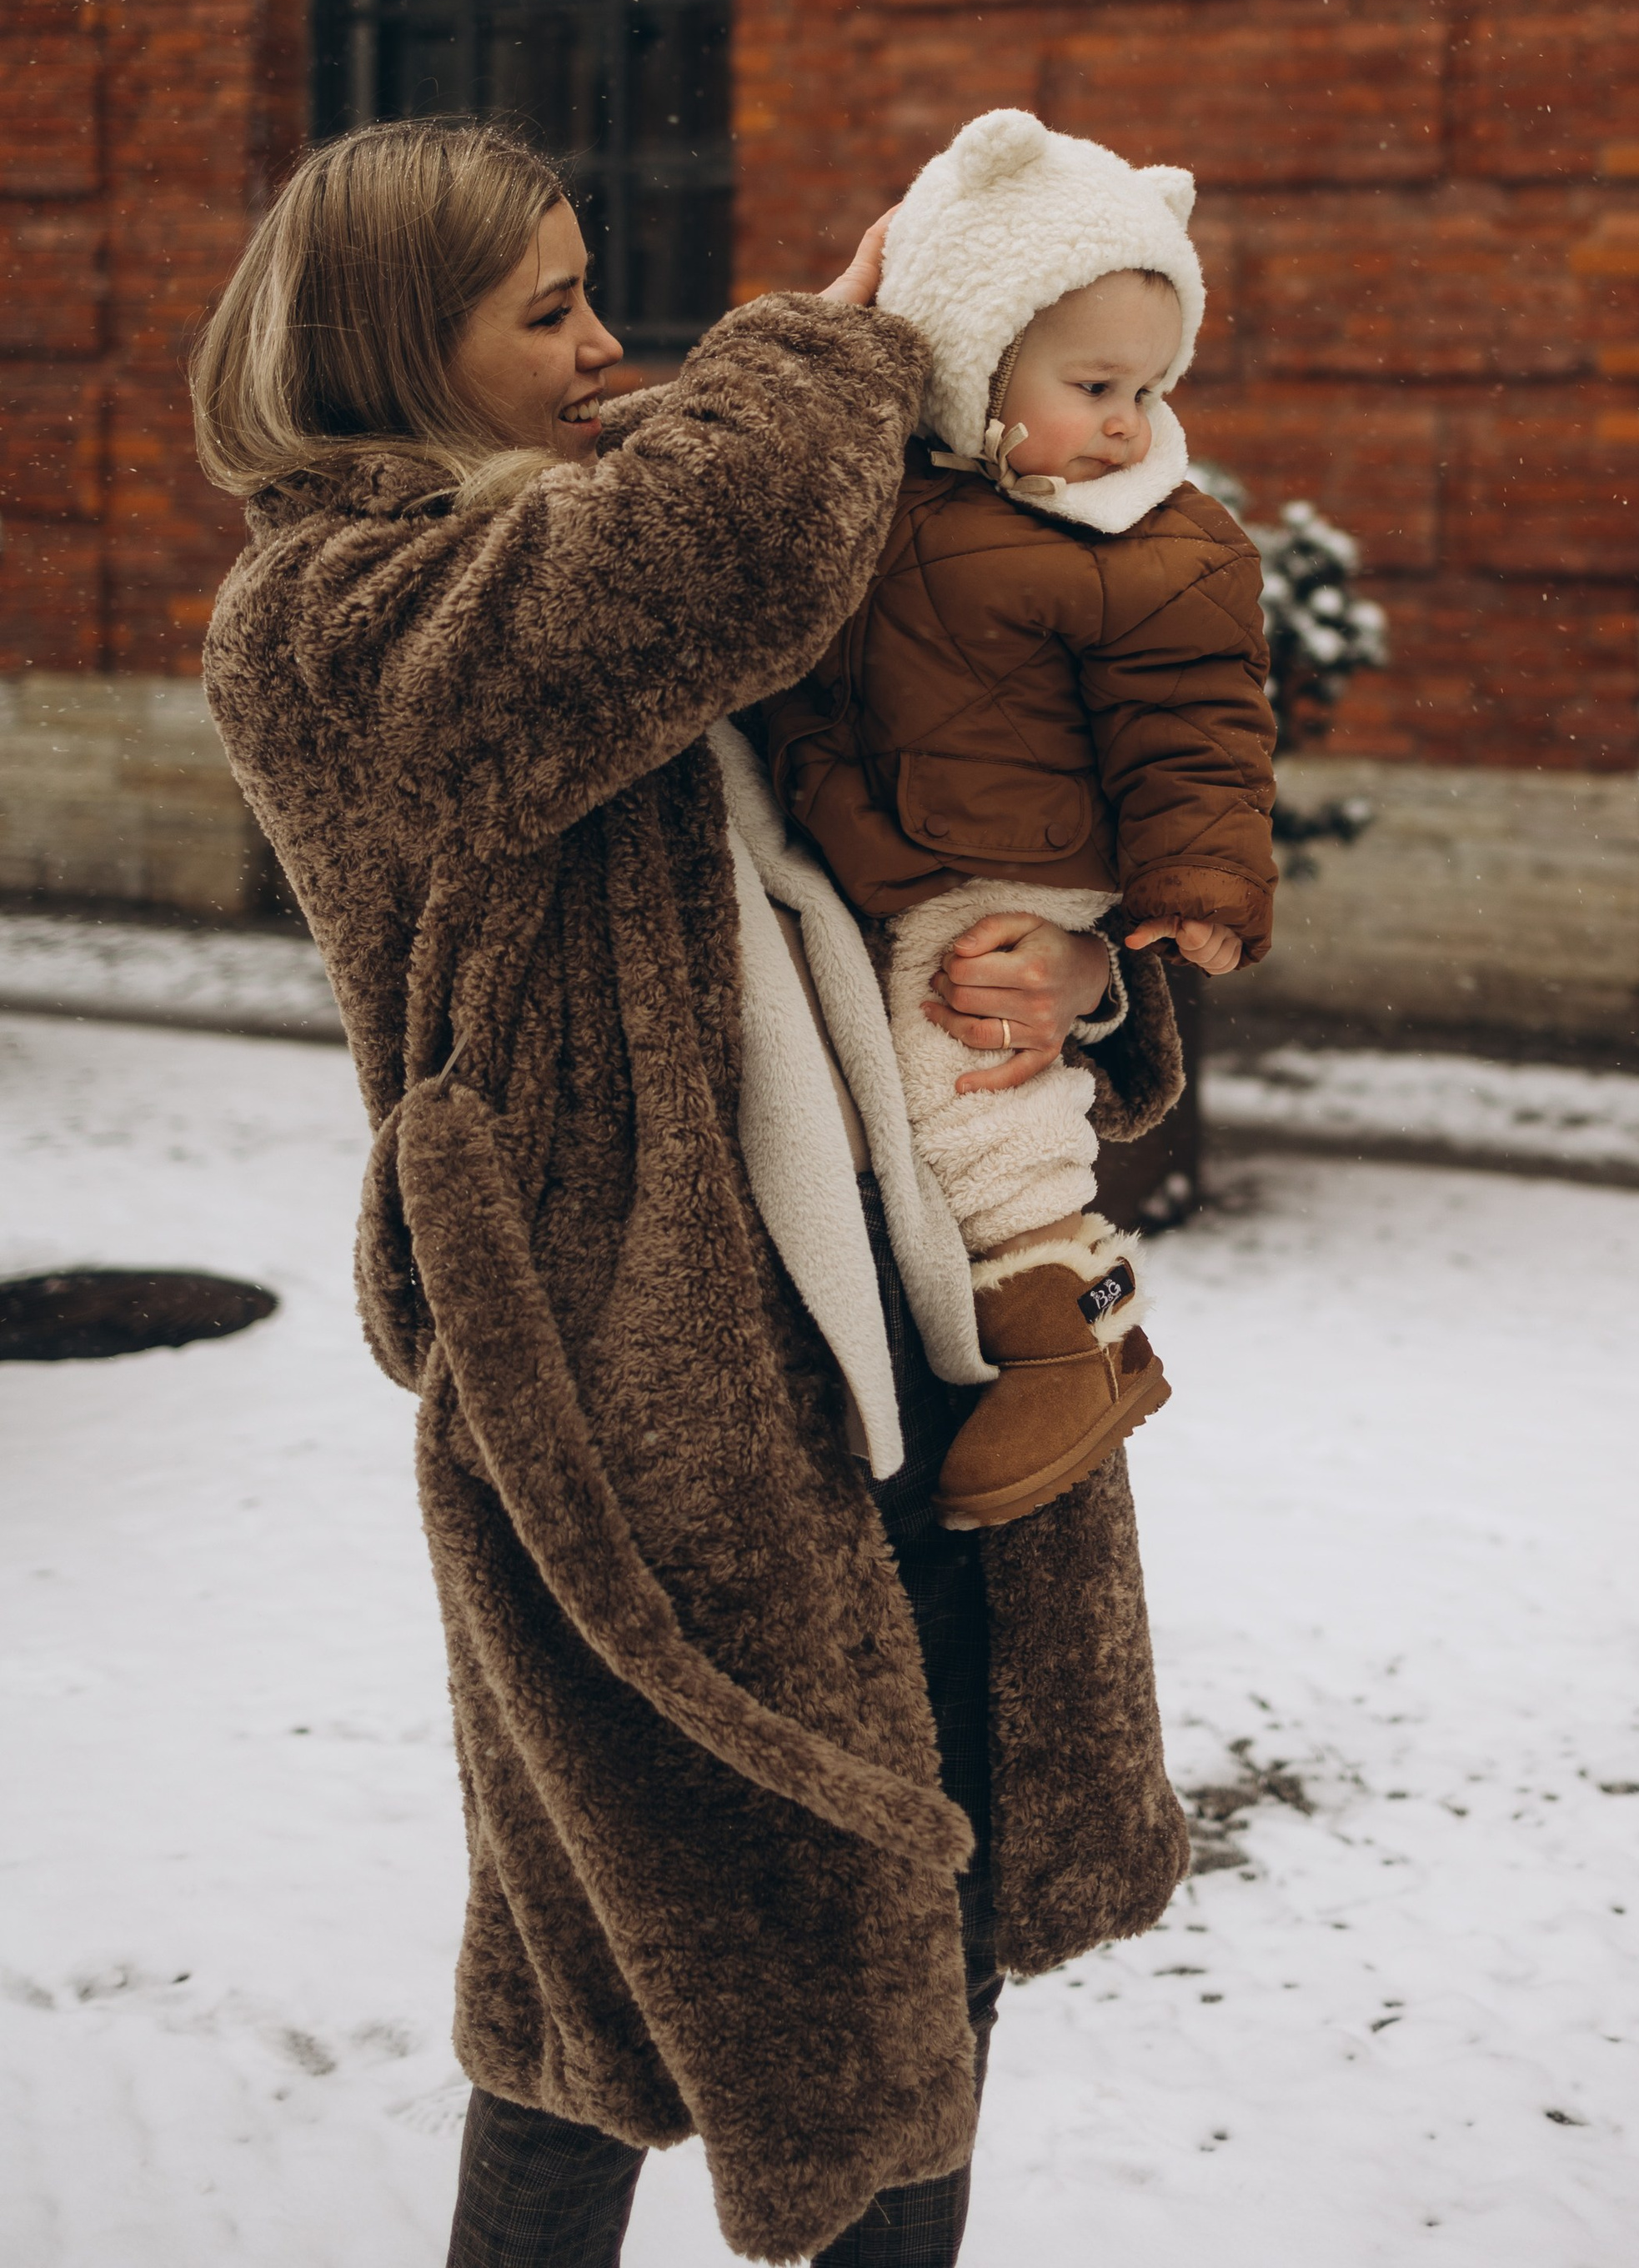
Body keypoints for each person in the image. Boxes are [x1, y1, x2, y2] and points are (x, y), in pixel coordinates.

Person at [188, 118, 1191, 2267]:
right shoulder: (330, 614)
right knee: (620, 1982)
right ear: (390, 343)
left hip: (911, 1341)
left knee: (921, 1927)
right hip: (638, 1401)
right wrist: (858, 348)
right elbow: (672, 579)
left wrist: (1075, 968)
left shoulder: (647, 527)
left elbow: (957, 816)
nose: (605, 340)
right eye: (544, 307)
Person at [760, 110, 1278, 1535]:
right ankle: (1053, 1323)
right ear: (973, 359)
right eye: (1092, 381)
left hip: (1011, 871)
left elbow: (1202, 726)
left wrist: (1199, 886)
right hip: (890, 841)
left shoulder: (1154, 545)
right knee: (939, 1079)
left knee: (969, 1082)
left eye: (1146, 386)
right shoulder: (890, 494)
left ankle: (1069, 1335)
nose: (1124, 420)